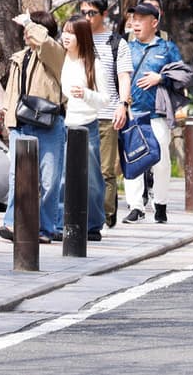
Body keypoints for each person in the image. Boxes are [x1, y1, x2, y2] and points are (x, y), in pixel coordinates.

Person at [0, 10, 66, 244]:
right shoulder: (20, 57)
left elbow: (44, 42)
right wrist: (8, 119)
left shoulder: (56, 53)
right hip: (21, 122)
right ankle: (12, 222)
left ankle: (46, 227)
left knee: (49, 180)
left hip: (49, 123)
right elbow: (12, 91)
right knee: (17, 177)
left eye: (31, 29)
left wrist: (30, 22)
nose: (27, 33)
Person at [122, 2, 182, 224]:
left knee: (161, 161)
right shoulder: (126, 48)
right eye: (133, 19)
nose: (135, 24)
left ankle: (161, 203)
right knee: (132, 159)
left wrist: (162, 78)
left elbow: (182, 74)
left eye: (140, 19)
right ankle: (136, 206)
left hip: (157, 113)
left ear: (154, 23)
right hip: (132, 112)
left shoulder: (166, 48)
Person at [79, 0, 133, 228]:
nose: (87, 18)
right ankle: (86, 214)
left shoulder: (116, 42)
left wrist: (123, 104)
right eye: (83, 13)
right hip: (80, 113)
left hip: (107, 113)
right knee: (80, 169)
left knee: (106, 169)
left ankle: (105, 216)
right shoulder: (76, 39)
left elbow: (124, 76)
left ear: (104, 13)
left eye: (91, 13)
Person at [56, 16, 109, 240]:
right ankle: (61, 223)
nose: (66, 37)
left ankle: (94, 224)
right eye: (64, 32)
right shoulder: (59, 59)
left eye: (71, 33)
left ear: (82, 36)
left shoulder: (93, 64)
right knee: (61, 177)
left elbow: (105, 99)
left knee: (92, 178)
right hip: (62, 124)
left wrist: (86, 94)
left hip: (87, 125)